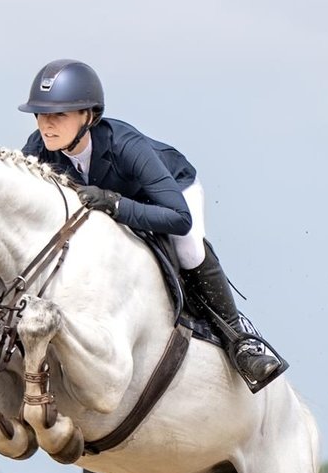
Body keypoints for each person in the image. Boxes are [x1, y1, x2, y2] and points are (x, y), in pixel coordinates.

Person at [18, 58, 282, 388]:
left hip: (171, 193)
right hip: (114, 201)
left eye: (59, 114)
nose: (46, 125)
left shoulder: (126, 146)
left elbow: (178, 218)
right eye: (40, 114)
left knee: (188, 250)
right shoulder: (38, 150)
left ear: (89, 116)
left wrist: (114, 203)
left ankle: (240, 341)